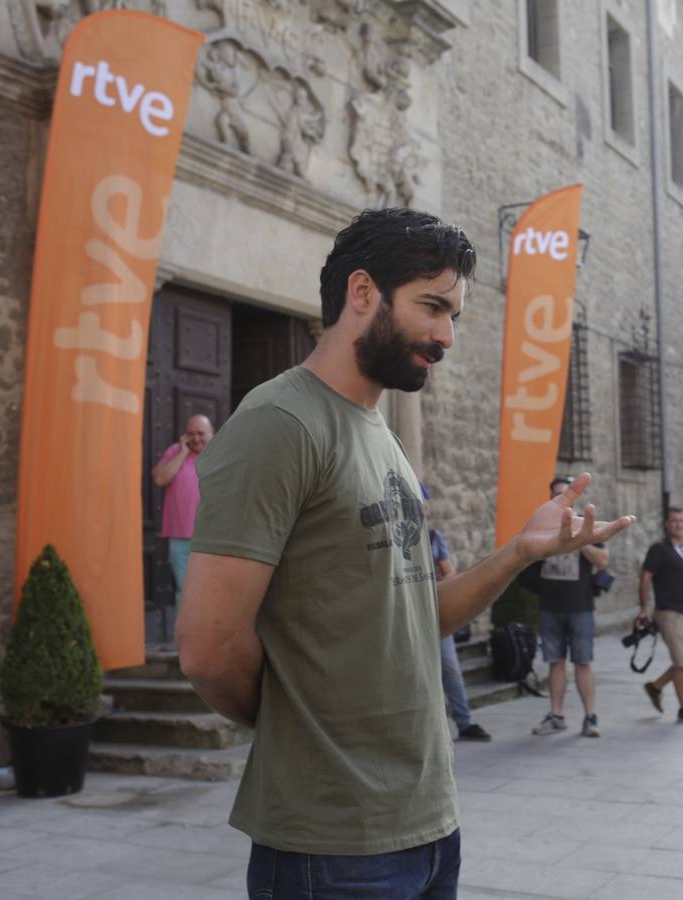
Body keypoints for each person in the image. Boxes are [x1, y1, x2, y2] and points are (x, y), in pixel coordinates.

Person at [174, 207, 634, 900]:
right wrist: (294, 726)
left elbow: (412, 617)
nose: (447, 334)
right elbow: (208, 649)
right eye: (432, 307)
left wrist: (518, 554)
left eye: (454, 313)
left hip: (426, 825)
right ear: (363, 293)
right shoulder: (279, 423)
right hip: (331, 847)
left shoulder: (379, 432)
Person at [519, 476, 608, 739]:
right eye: (558, 494)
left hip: (580, 606)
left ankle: (590, 716)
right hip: (550, 606)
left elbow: (603, 560)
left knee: (582, 662)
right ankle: (556, 715)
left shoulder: (586, 526)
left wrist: (580, 542)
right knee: (555, 662)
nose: (563, 499)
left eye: (567, 494)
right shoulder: (541, 528)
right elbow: (526, 561)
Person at [423, 482, 491, 743]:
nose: (420, 506)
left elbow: (449, 572)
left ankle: (465, 722)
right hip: (403, 615)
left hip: (435, 611)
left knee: (450, 668)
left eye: (423, 501)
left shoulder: (432, 538)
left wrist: (442, 583)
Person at [638, 508, 683, 725]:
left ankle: (656, 686)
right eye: (674, 521)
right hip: (669, 612)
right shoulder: (659, 550)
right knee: (682, 662)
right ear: (666, 525)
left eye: (682, 521)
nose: (679, 524)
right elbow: (644, 578)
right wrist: (643, 607)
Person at [150, 414, 214, 604]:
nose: (195, 439)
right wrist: (183, 453)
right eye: (190, 434)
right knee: (185, 592)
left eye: (201, 434)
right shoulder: (175, 451)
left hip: (213, 537)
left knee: (213, 591)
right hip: (181, 538)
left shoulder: (221, 453)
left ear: (212, 433)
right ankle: (187, 635)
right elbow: (160, 478)